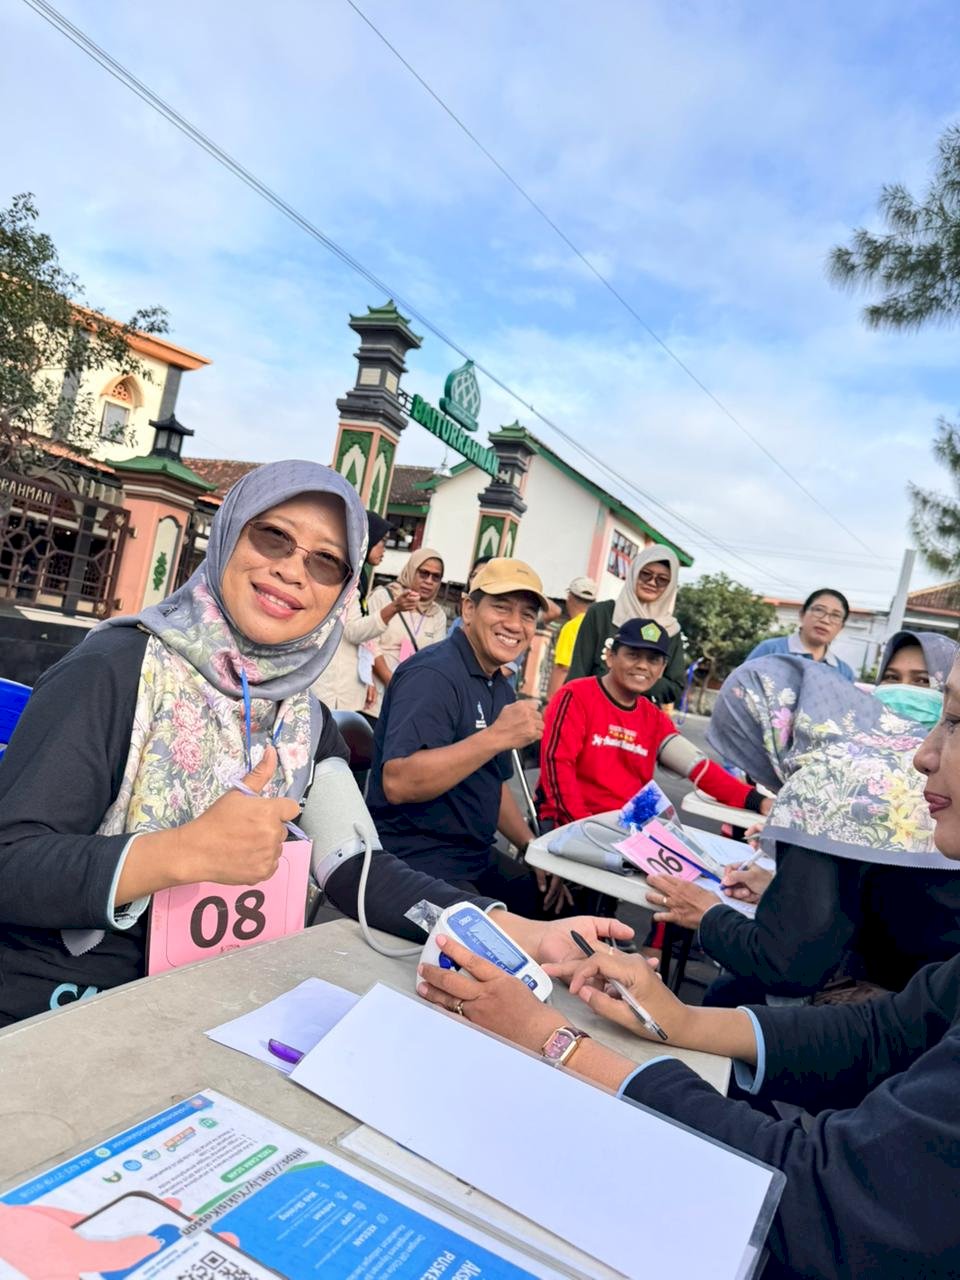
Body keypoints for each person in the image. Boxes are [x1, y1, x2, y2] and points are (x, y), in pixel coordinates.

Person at [0, 463, 629, 1026]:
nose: (292, 570)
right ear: (227, 535)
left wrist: (518, 934)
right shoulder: (116, 669)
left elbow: (352, 867)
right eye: (272, 536)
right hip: (74, 1002)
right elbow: (12, 863)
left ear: (342, 588)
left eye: (326, 561)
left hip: (222, 1000)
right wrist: (180, 853)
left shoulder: (303, 715)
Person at [417, 655, 960, 1278]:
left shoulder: (828, 775)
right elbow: (887, 1031)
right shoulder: (576, 702)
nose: (921, 755)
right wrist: (681, 1021)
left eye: (957, 720)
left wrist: (558, 1043)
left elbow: (819, 1193)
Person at [650, 631, 960, 1007]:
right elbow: (904, 902)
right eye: (891, 678)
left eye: (923, 682)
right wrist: (792, 893)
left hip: (903, 1011)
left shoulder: (830, 779)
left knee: (729, 996)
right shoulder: (935, 765)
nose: (923, 759)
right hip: (928, 992)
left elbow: (787, 964)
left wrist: (708, 914)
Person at [367, 558, 571, 915]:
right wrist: (495, 736)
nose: (514, 624)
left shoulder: (496, 683)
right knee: (499, 938)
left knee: (558, 905)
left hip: (471, 855)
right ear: (469, 609)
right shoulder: (434, 674)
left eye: (526, 614)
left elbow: (492, 784)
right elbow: (398, 782)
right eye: (502, 607)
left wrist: (529, 847)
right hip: (410, 859)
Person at [539, 618, 772, 828]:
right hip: (570, 824)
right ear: (610, 657)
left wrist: (759, 801)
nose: (643, 666)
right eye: (633, 655)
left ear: (661, 669)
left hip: (626, 828)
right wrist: (581, 829)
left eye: (653, 660)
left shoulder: (654, 718)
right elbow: (558, 768)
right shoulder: (576, 695)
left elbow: (700, 768)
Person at [311, 509, 419, 712]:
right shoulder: (346, 578)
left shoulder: (360, 578)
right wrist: (393, 608)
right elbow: (353, 631)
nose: (384, 549)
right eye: (381, 541)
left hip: (345, 684)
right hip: (331, 686)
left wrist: (367, 676)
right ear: (367, 539)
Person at [566, 546, 686, 706]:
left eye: (662, 579)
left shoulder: (670, 630)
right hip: (593, 710)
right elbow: (579, 670)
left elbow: (675, 687)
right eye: (646, 574)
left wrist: (636, 679)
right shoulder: (602, 614)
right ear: (634, 573)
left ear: (670, 586)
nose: (652, 583)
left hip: (642, 721)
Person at [366, 547, 448, 717]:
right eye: (423, 573)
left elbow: (435, 659)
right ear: (411, 570)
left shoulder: (437, 615)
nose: (429, 581)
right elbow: (370, 643)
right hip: (373, 696)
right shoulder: (384, 597)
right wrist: (393, 682)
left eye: (436, 577)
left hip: (409, 702)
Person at [747, 588, 855, 681]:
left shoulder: (843, 673)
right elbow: (739, 688)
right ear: (802, 614)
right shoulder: (770, 650)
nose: (825, 620)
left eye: (835, 616)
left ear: (841, 627)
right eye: (819, 610)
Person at [545, 575, 596, 699]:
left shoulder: (571, 627)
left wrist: (550, 702)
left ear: (569, 597)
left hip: (572, 697)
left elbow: (563, 668)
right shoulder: (597, 626)